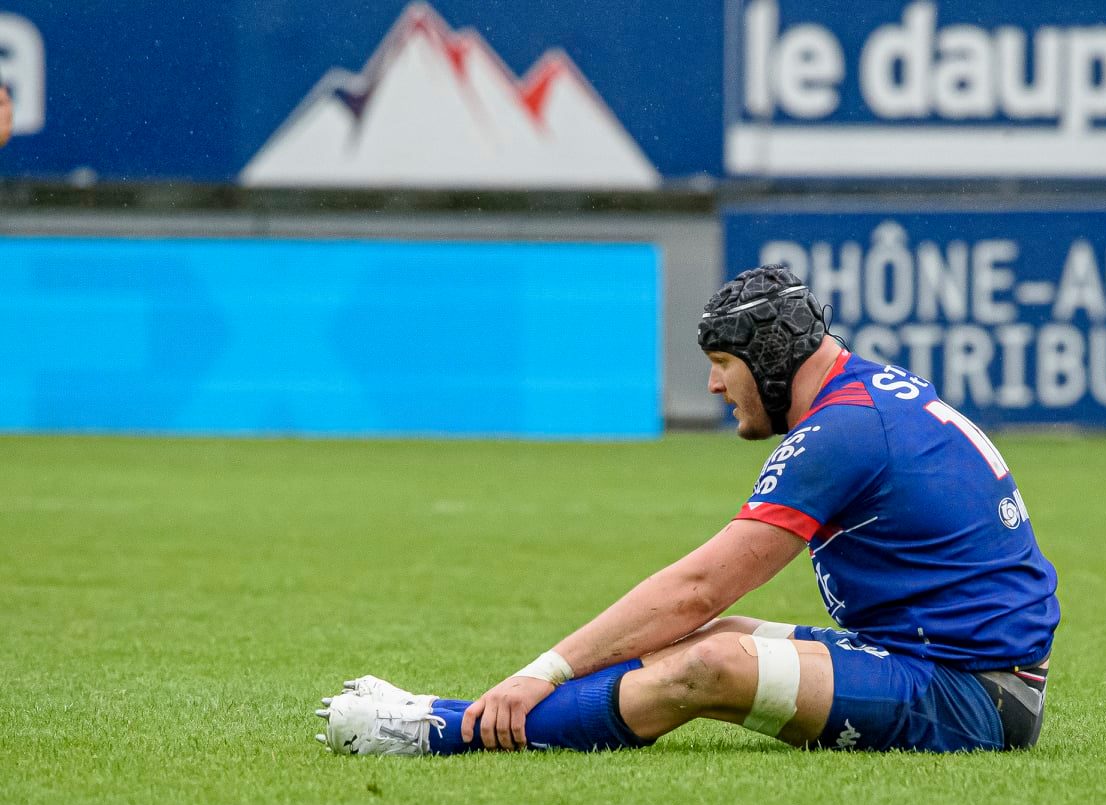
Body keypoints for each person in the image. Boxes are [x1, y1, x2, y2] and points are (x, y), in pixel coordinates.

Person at [314, 265, 1059, 756]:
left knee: (709, 662)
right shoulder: (865, 398)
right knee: (719, 636)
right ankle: (483, 713)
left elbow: (698, 585)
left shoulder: (845, 431)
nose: (711, 385)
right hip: (948, 663)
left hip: (974, 696)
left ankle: (443, 729)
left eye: (722, 363)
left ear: (768, 360)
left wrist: (541, 671)